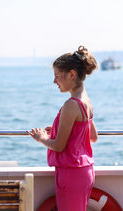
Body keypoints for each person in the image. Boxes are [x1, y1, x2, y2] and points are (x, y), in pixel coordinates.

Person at [27, 45, 98, 211]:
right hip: (85, 172)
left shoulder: (71, 105)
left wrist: (42, 138)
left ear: (72, 74)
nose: (54, 81)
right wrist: (59, 129)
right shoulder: (86, 101)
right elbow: (92, 136)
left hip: (71, 174)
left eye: (57, 76)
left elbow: (59, 146)